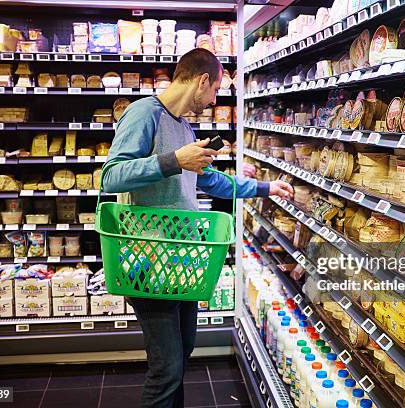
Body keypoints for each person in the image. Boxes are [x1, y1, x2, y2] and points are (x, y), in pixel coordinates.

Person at [101, 48, 293, 408]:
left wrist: (265, 188)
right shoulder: (144, 114)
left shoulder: (183, 125)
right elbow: (112, 176)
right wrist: (175, 160)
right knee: (167, 368)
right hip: (147, 260)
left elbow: (210, 182)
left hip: (180, 259)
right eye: (216, 90)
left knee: (183, 352)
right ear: (202, 80)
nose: (214, 99)